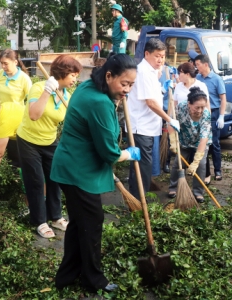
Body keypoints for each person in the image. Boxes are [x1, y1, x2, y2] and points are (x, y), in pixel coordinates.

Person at [50, 54, 140, 293]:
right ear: (108, 76)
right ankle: (93, 280)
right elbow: (110, 153)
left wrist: (117, 99)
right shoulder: (99, 102)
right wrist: (129, 154)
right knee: (91, 223)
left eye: (131, 85)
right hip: (79, 172)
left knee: (79, 224)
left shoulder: (88, 86)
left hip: (70, 166)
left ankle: (67, 276)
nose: (127, 90)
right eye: (124, 84)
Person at [16, 55, 82, 238]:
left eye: (76, 76)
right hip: (28, 140)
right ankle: (40, 221)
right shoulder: (38, 88)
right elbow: (34, 115)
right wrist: (47, 92)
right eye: (73, 76)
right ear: (63, 73)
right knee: (36, 181)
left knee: (55, 178)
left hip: (50, 141)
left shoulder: (66, 95)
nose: (75, 80)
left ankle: (55, 217)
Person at [127, 38, 180, 200]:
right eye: (157, 56)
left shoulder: (151, 72)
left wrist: (163, 90)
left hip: (148, 128)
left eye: (163, 56)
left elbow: (154, 95)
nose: (160, 60)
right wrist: (169, 119)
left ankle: (138, 198)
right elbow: (150, 102)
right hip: (141, 127)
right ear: (147, 54)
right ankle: (138, 201)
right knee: (141, 167)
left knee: (144, 166)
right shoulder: (143, 72)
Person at [168, 87, 212, 203]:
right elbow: (171, 123)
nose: (200, 110)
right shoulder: (181, 108)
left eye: (203, 107)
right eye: (197, 107)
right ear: (189, 104)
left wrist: (196, 161)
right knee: (178, 163)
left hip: (199, 143)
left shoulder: (206, 114)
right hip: (184, 140)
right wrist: (173, 141)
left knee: (201, 165)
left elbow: (204, 138)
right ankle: (173, 188)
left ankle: (198, 192)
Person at [193, 54, 226, 183]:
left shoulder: (216, 79)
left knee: (215, 143)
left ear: (205, 64)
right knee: (203, 142)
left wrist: (221, 116)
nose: (197, 68)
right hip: (201, 113)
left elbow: (223, 98)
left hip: (214, 114)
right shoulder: (198, 78)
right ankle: (205, 171)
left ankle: (218, 170)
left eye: (198, 65)